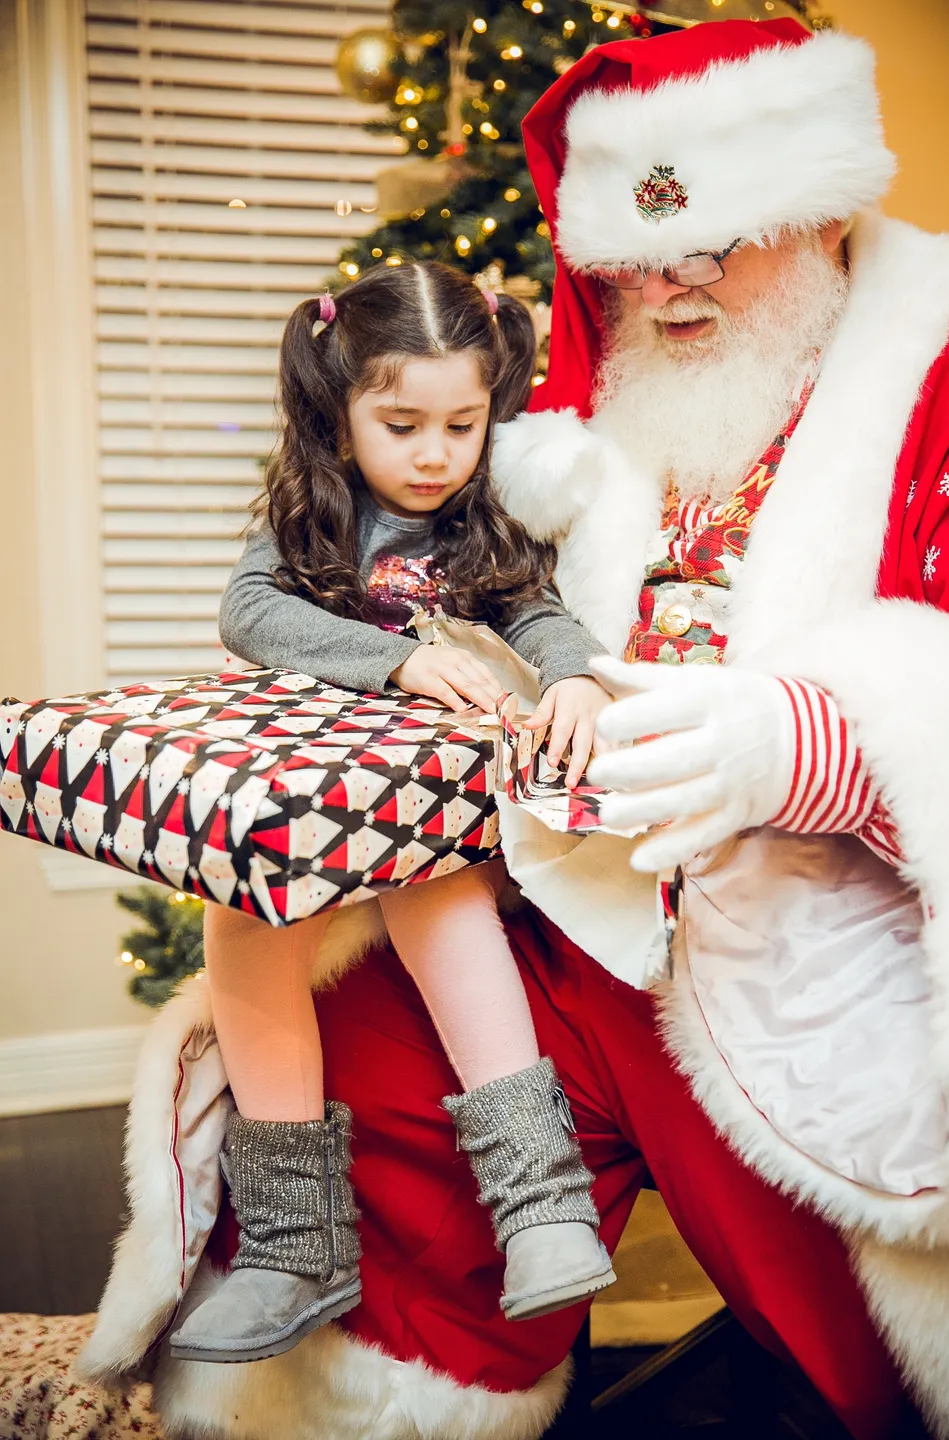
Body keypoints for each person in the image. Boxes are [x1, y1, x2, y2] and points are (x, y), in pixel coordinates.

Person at [81, 18, 949, 1440]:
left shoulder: (934, 366)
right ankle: (370, 1373)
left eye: (716, 243)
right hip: (577, 907)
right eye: (637, 253)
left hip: (811, 944)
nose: (668, 288)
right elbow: (507, 599)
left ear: (813, 214)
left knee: (863, 1340)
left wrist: (807, 740)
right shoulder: (589, 394)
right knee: (347, 1041)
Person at [165, 261, 614, 1367]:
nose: (431, 454)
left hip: (426, 808)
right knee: (241, 919)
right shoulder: (315, 510)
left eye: (462, 425)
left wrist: (573, 676)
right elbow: (246, 610)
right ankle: (291, 1245)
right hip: (308, 791)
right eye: (400, 423)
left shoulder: (477, 517)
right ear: (341, 409)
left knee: (436, 894)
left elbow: (538, 612)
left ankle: (540, 1201)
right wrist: (395, 666)